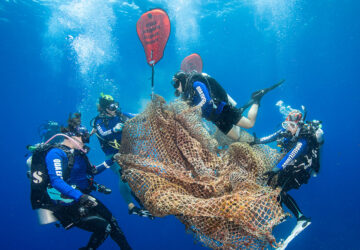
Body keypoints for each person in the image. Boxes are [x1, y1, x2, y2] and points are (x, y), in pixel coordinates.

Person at [30, 113, 132, 250]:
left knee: (113, 223)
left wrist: (112, 159)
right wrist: (81, 196)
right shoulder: (55, 153)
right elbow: (56, 181)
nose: (84, 144)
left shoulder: (77, 153)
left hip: (81, 196)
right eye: (82, 140)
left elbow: (92, 171)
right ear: (72, 136)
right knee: (105, 227)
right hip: (65, 203)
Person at [251, 109, 324, 231]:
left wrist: (276, 169)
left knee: (281, 191)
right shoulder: (287, 131)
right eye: (286, 125)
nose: (288, 128)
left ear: (299, 125)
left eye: (292, 125)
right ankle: (280, 215)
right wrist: (257, 141)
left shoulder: (304, 138)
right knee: (275, 188)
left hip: (302, 170)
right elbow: (273, 136)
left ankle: (301, 219)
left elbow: (293, 153)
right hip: (290, 166)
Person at [91, 93, 153, 219]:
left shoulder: (120, 115)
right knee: (122, 174)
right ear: (104, 109)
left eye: (115, 105)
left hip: (128, 153)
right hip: (112, 156)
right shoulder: (98, 121)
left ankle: (144, 199)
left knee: (139, 174)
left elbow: (138, 117)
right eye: (111, 107)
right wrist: (114, 129)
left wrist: (150, 112)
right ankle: (131, 207)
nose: (115, 109)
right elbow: (103, 133)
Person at [171, 71, 281, 140]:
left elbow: (206, 100)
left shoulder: (196, 84)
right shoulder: (187, 95)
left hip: (223, 111)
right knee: (236, 136)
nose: (175, 87)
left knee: (250, 124)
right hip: (216, 119)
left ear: (182, 80)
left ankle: (256, 99)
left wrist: (192, 109)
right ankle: (239, 112)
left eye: (176, 83)